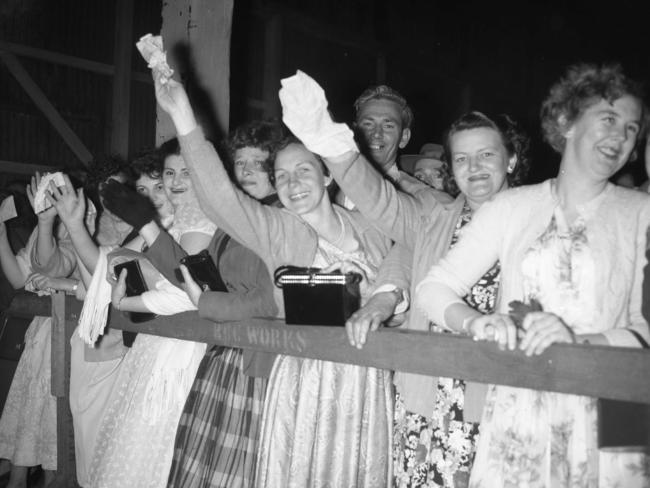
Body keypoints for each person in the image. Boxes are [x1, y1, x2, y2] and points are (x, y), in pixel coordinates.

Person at [152, 70, 394, 487]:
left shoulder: (370, 227)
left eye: (303, 170)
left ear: (327, 175)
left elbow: (409, 251)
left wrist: (387, 298)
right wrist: (183, 116)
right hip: (303, 381)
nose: (292, 182)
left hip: (366, 385)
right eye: (280, 175)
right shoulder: (281, 228)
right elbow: (221, 198)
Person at [415, 63, 649, 487]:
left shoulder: (641, 213)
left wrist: (579, 341)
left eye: (631, 128)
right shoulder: (512, 207)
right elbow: (434, 288)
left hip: (611, 406)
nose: (620, 136)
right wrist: (476, 322)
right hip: (520, 402)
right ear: (567, 122)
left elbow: (645, 329)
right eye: (609, 119)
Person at [100, 118, 283, 488]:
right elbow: (191, 277)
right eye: (241, 163)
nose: (247, 171)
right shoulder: (236, 219)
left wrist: (138, 298)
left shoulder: (277, 219)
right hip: (223, 356)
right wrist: (147, 227)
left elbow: (254, 298)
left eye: (258, 163)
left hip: (256, 359)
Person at [87, 139, 211, 488]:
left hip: (185, 346)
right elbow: (116, 264)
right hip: (157, 340)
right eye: (170, 172)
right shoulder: (171, 219)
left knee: (163, 443)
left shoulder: (201, 220)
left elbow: (184, 291)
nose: (176, 181)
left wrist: (128, 300)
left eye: (186, 172)